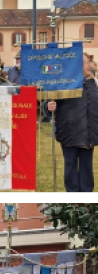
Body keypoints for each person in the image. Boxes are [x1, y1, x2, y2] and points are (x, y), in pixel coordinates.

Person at [47, 53, 98, 192]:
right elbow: (50, 101)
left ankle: (87, 196)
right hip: (69, 132)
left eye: (90, 63)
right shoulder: (65, 82)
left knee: (86, 166)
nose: (90, 66)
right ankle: (72, 194)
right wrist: (49, 106)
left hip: (88, 134)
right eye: (87, 63)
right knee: (70, 166)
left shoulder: (94, 83)